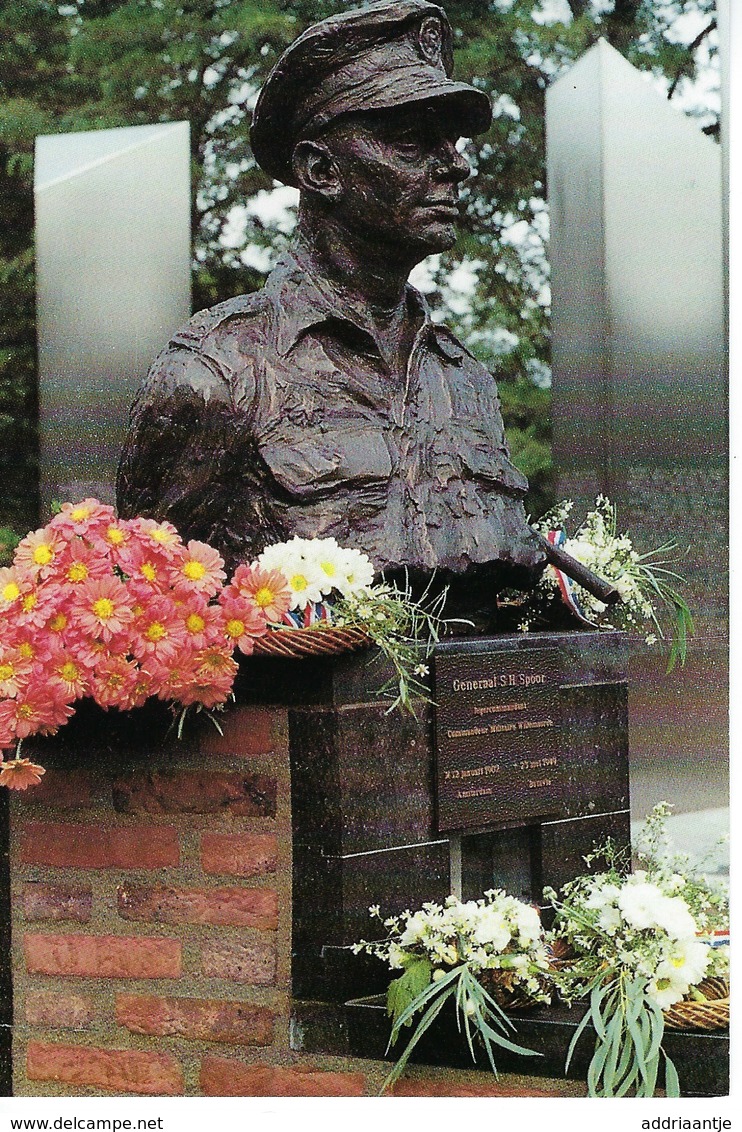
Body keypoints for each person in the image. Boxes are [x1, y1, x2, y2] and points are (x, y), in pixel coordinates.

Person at [116, 0, 546, 617]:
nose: (457, 164)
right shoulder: (219, 371)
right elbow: (149, 623)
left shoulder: (464, 380)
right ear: (321, 169)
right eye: (409, 141)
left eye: (450, 142)